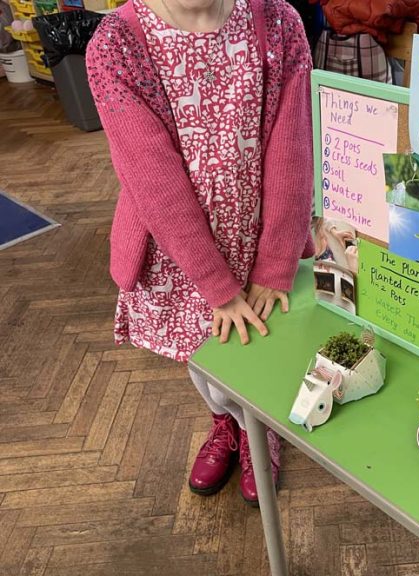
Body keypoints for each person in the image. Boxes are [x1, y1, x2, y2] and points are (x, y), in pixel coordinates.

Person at [86, 0, 313, 504]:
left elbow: (292, 149)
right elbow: (152, 177)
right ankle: (226, 423)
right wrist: (216, 285)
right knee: (201, 354)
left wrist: (275, 265)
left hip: (262, 239)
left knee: (260, 346)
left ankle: (260, 430)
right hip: (180, 254)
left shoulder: (277, 23)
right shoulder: (116, 45)